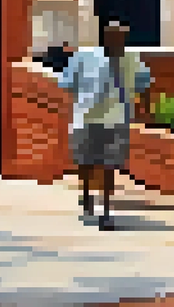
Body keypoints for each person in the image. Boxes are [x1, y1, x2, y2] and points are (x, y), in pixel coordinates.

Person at [58, 20, 152, 231]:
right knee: (85, 163)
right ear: (105, 38)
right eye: (113, 37)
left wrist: (146, 111)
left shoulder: (132, 60)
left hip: (116, 120)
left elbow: (144, 85)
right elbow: (67, 85)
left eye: (121, 38)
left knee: (110, 166)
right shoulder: (84, 57)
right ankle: (86, 194)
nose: (118, 42)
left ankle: (106, 211)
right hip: (86, 119)